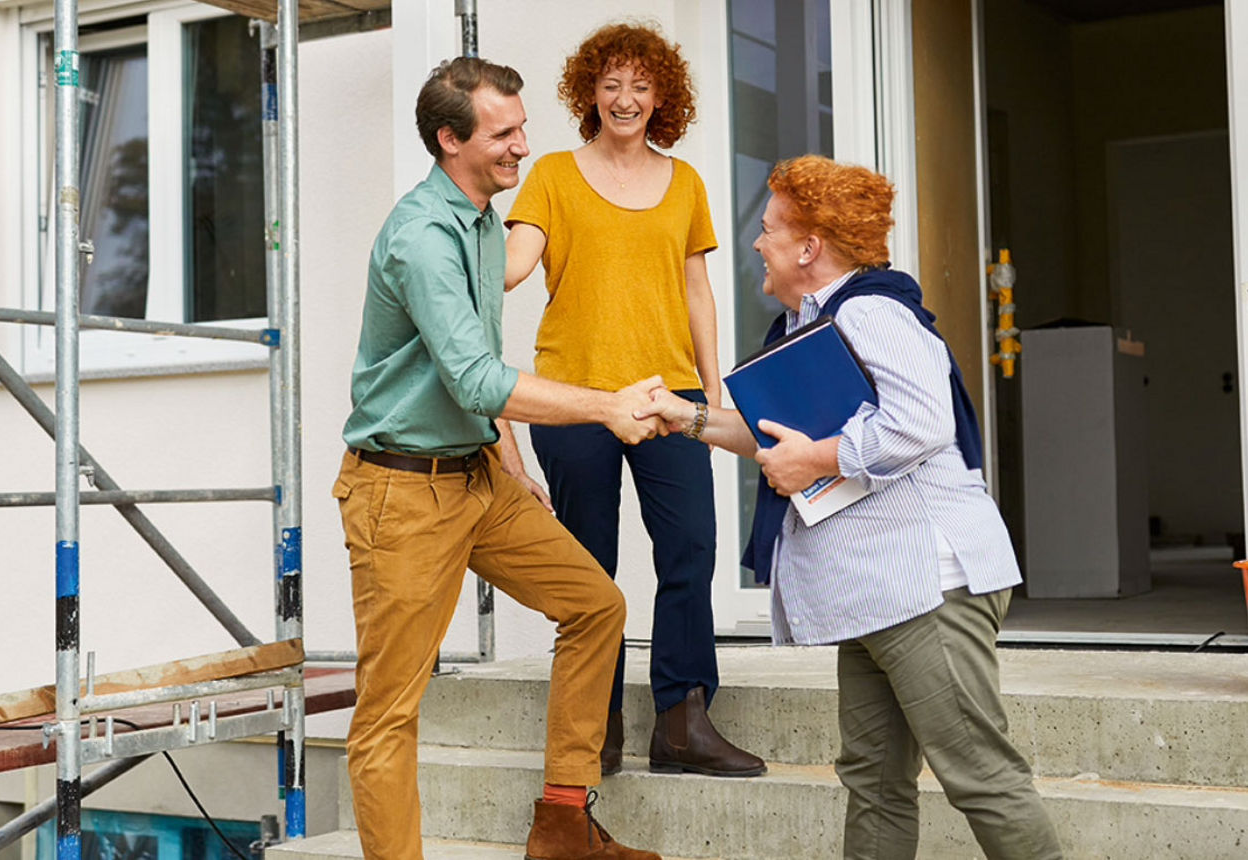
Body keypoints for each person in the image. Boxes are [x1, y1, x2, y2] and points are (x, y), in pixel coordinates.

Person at [637, 155, 1064, 859]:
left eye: (769, 229)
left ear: (809, 247)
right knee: (874, 778)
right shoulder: (809, 324)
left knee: (980, 776)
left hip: (928, 584)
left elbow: (922, 421)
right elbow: (779, 436)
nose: (757, 243)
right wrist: (686, 418)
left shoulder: (871, 312)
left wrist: (816, 459)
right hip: (877, 592)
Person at [332, 57, 664, 860]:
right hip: (403, 495)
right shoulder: (423, 237)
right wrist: (606, 406)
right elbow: (477, 377)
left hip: (478, 476)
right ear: (451, 140)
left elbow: (474, 364)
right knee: (389, 715)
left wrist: (509, 460)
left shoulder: (483, 222)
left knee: (596, 606)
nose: (522, 145)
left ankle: (562, 826)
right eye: (503, 133)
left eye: (521, 128)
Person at [504, 22, 763, 779]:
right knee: (591, 566)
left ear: (661, 97)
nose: (625, 98)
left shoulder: (686, 183)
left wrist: (712, 392)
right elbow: (513, 264)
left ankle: (683, 722)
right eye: (611, 83)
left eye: (641, 86)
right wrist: (458, 247)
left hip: (670, 396)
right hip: (574, 394)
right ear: (589, 92)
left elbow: (696, 289)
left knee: (690, 549)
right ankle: (598, 725)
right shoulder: (552, 174)